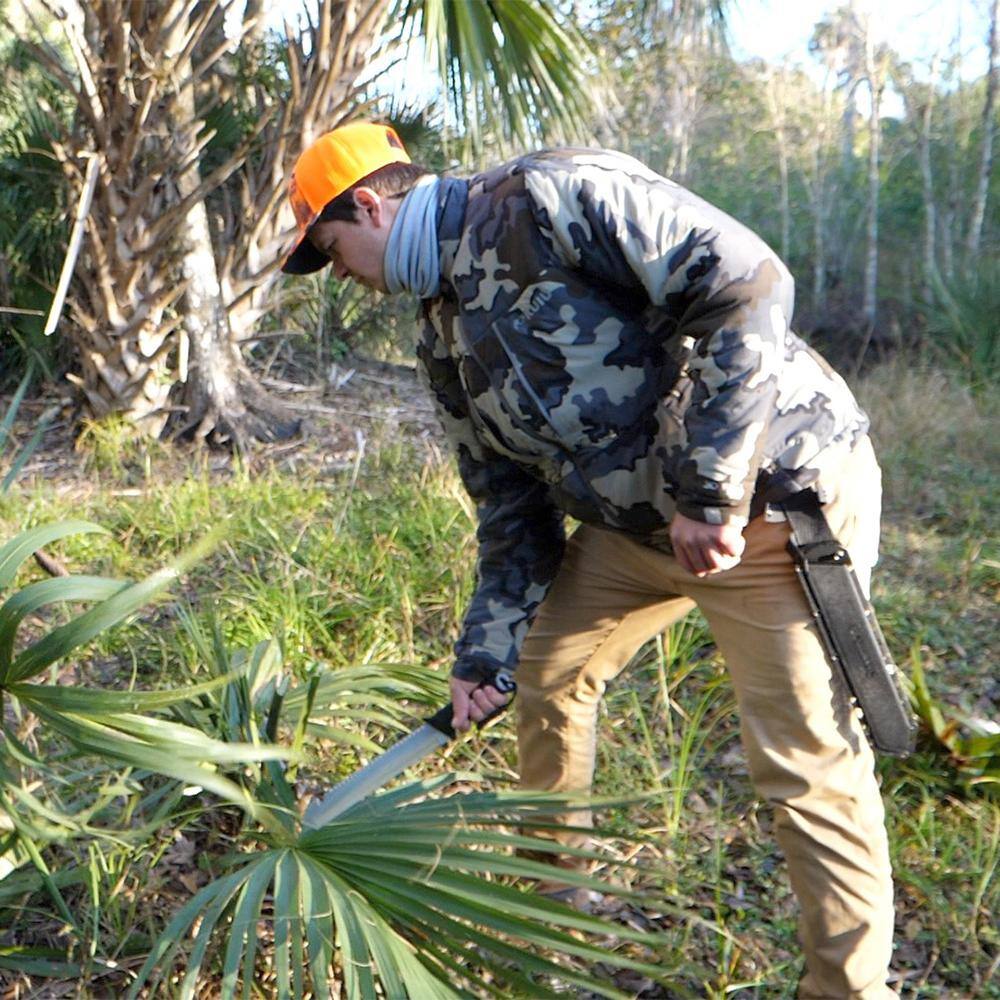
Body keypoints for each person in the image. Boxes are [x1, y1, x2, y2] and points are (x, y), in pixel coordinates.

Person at [281, 121, 896, 999]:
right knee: (547, 669)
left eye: (330, 250)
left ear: (371, 207)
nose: (338, 274)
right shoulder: (442, 329)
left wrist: (710, 492)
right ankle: (557, 911)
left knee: (805, 766)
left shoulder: (547, 195)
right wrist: (483, 655)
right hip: (639, 531)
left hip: (767, 510)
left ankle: (849, 990)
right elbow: (508, 505)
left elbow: (750, 284)